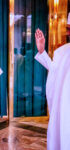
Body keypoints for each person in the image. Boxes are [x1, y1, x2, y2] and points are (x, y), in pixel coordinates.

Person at [35, 14, 70, 150]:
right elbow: (55, 71)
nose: (67, 32)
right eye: (67, 28)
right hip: (64, 105)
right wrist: (41, 50)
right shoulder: (62, 51)